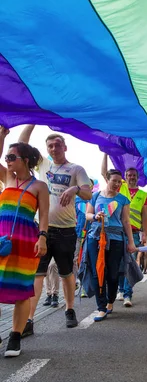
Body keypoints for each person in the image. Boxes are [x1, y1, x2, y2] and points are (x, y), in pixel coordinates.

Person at [18, 125, 92, 333]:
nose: (53, 148)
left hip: (66, 230)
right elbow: (23, 146)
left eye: (57, 144)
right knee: (38, 275)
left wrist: (75, 188)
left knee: (66, 273)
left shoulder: (77, 169)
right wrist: (32, 121)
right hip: (42, 230)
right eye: (49, 145)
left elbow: (87, 194)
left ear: (65, 147)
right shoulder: (44, 165)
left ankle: (69, 310)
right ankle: (29, 320)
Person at [0, 126, 49, 357]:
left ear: (25, 160)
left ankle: (15, 337)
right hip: (2, 240)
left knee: (21, 290)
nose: (7, 161)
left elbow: (44, 218)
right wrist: (2, 136)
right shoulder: (8, 178)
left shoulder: (40, 186)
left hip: (25, 242)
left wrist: (43, 239)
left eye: (11, 157)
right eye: (6, 157)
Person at [85, 169, 135, 321]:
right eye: (114, 181)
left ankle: (110, 301)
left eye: (120, 182)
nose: (117, 184)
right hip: (95, 237)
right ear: (107, 179)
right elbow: (87, 215)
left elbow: (126, 221)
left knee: (113, 274)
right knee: (97, 272)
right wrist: (95, 216)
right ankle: (101, 307)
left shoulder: (123, 199)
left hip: (116, 239)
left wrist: (131, 242)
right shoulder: (95, 196)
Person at [102, 156, 147, 307]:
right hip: (117, 232)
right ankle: (121, 290)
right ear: (125, 177)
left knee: (129, 263)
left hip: (133, 233)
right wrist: (106, 153)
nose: (131, 178)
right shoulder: (119, 188)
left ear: (138, 178)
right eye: (128, 175)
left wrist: (144, 233)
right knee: (119, 263)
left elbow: (145, 216)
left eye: (134, 176)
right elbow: (105, 174)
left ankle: (128, 294)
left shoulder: (143, 195)